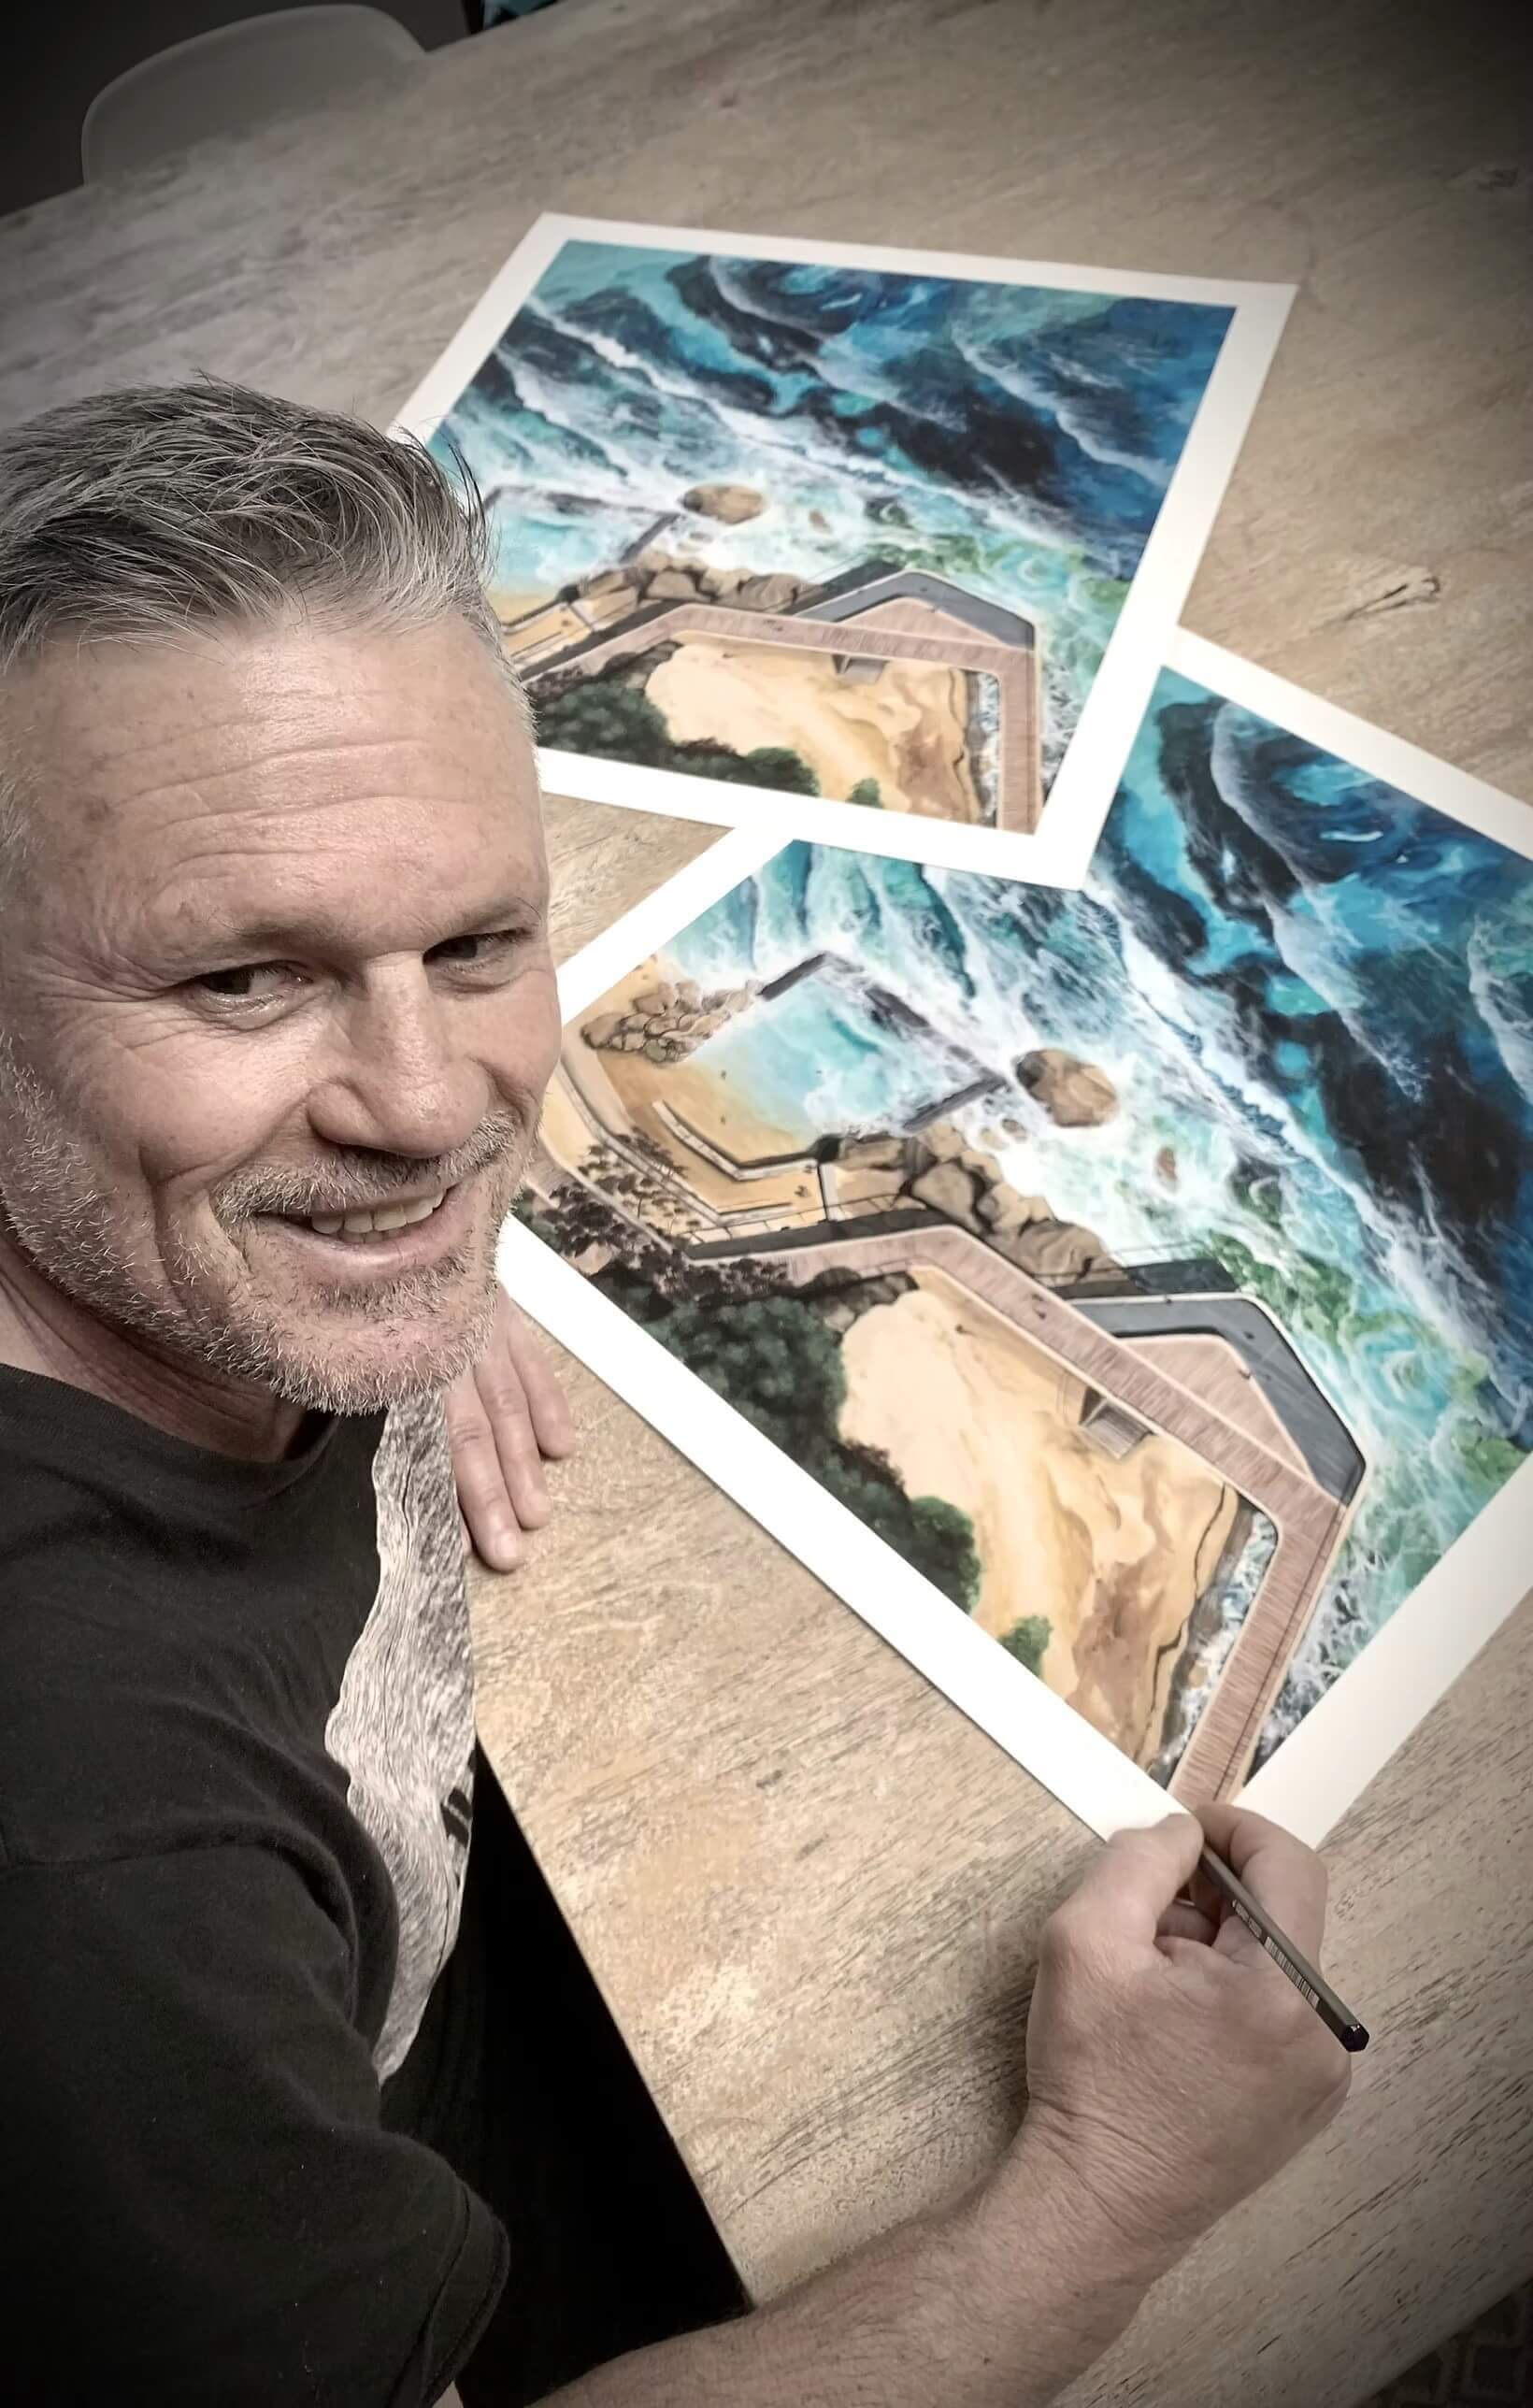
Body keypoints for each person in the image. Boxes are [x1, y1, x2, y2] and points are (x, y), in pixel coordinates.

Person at [0, 380, 1353, 2407]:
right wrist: (1115, 2177)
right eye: (241, 981)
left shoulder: (188, 1215)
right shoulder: (96, 1882)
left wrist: (387, 1277)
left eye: (476, 942)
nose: (429, 1101)